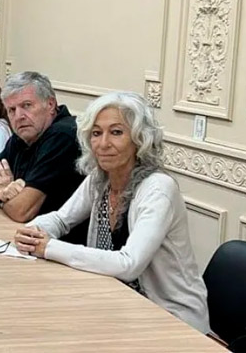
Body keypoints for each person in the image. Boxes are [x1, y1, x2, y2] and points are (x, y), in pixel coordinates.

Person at [14, 92, 209, 334]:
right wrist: (33, 231)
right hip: (115, 302)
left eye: (116, 132)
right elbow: (61, 220)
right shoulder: (100, 178)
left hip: (170, 318)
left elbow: (129, 264)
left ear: (140, 139)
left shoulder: (158, 188)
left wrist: (49, 247)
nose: (103, 143)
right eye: (96, 133)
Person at [0, 71, 87, 244]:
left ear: (50, 104)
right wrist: (2, 191)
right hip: (29, 238)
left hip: (61, 245)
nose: (19, 116)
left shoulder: (63, 135)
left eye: (27, 105)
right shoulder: (23, 135)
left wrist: (4, 198)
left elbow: (21, 211)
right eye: (12, 110)